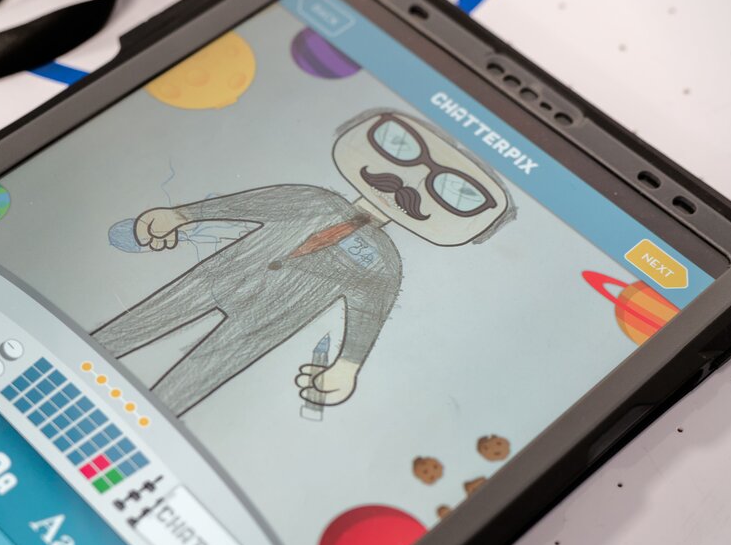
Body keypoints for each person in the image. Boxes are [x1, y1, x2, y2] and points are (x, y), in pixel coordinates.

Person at [92, 109, 514, 415]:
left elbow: (367, 317)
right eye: (402, 147)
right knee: (126, 330)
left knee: (186, 388)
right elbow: (246, 205)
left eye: (456, 192)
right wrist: (181, 215)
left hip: (264, 323)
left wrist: (347, 366)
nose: (407, 185)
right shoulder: (314, 200)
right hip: (213, 279)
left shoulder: (384, 265)